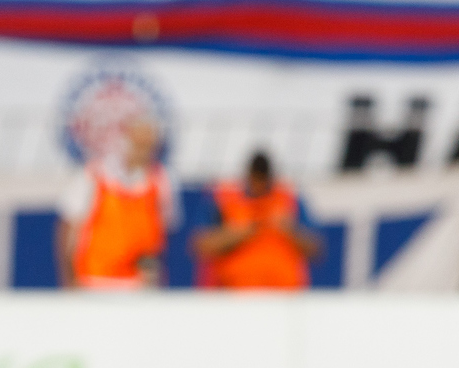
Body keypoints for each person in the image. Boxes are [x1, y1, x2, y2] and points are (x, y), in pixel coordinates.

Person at [57, 117, 180, 290]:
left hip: (139, 286)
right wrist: (69, 281)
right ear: (126, 141)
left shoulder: (162, 181)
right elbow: (68, 229)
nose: (144, 151)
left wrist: (154, 276)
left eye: (149, 146)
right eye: (139, 144)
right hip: (94, 281)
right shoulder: (93, 175)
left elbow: (161, 233)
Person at [193, 151, 320, 289]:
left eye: (263, 179)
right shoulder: (227, 202)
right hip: (235, 296)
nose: (259, 185)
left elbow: (316, 249)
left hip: (284, 296)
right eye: (256, 178)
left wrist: (288, 229)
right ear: (249, 176)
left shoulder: (289, 201)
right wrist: (239, 233)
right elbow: (201, 246)